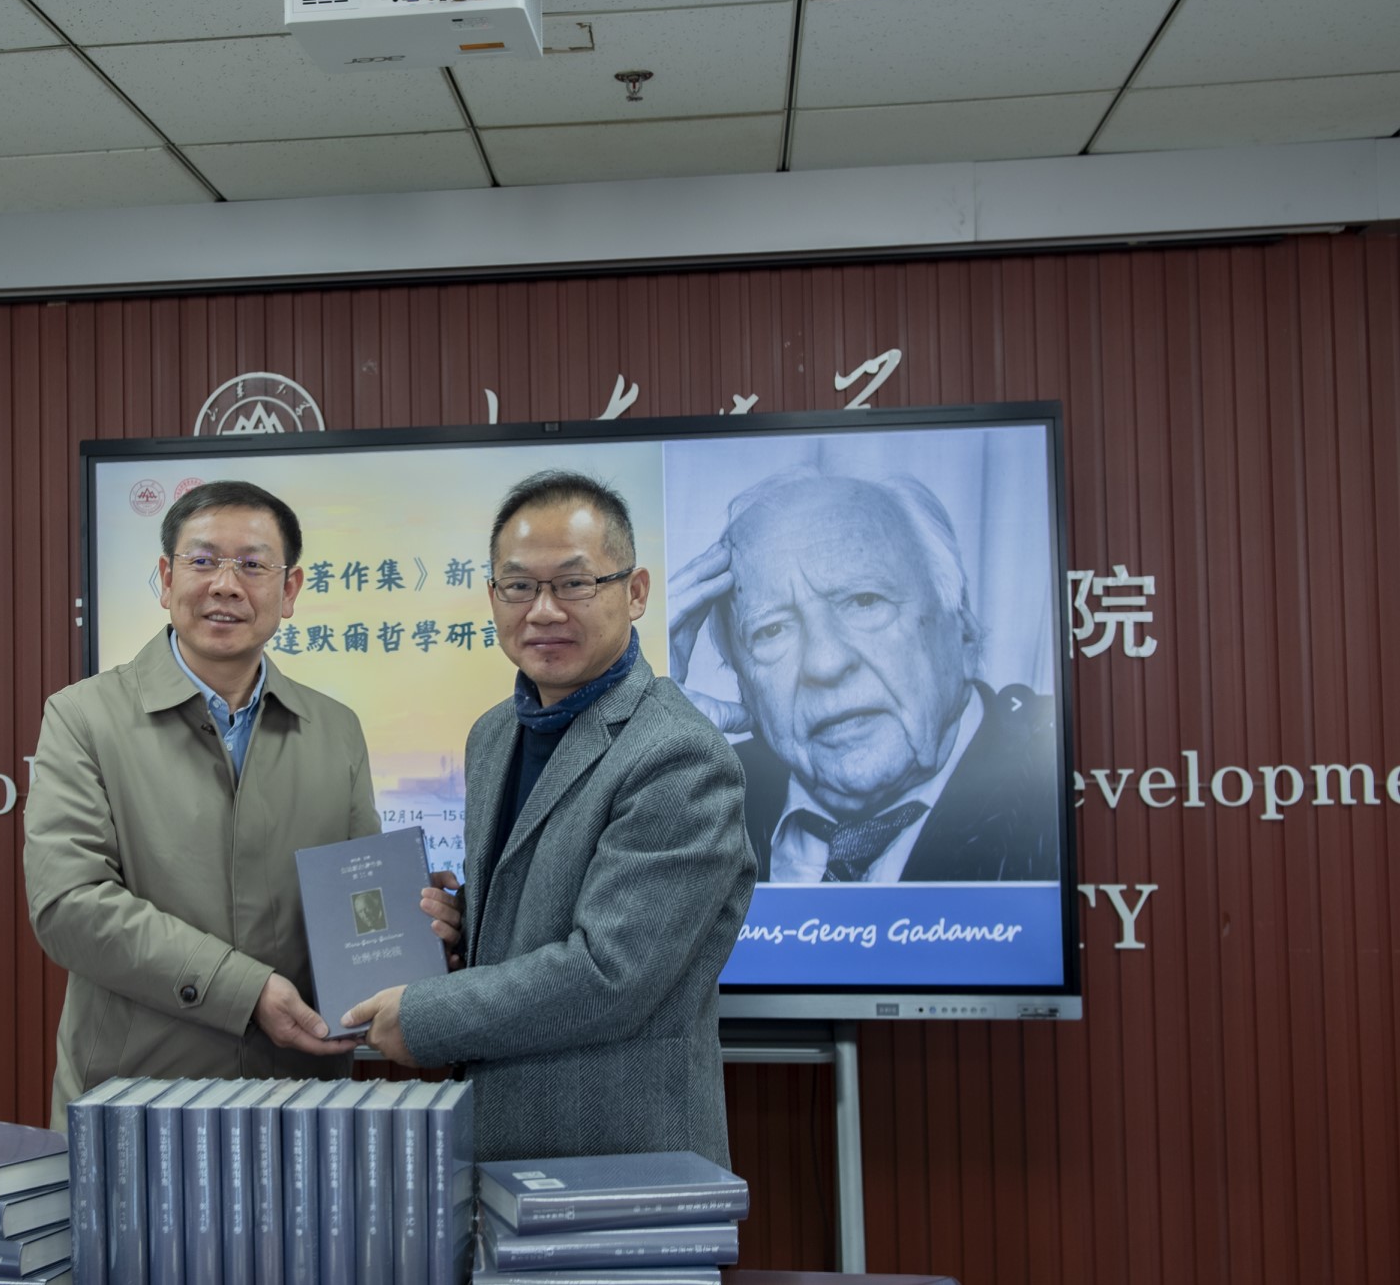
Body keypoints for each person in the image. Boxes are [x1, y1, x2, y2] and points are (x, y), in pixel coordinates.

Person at [344, 471, 755, 1166]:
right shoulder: (494, 734)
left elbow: (610, 974)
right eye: (519, 586)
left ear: (636, 592)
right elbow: (540, 913)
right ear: (493, 598)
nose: (543, 611)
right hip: (495, 1145)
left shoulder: (679, 754)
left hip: (621, 1156)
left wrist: (426, 1016)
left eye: (574, 583)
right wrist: (463, 927)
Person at [22, 480, 430, 1118]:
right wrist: (247, 991)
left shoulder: (335, 729)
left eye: (253, 565)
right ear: (166, 579)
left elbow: (359, 898)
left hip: (299, 1102)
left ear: (289, 591)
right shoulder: (83, 718)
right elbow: (69, 907)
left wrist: (419, 928)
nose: (226, 585)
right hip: (134, 1106)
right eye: (203, 560)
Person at [669, 469, 1059, 884]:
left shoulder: (1063, 785)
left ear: (963, 629)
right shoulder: (692, 804)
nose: (824, 663)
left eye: (865, 601)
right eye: (772, 629)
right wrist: (636, 713)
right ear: (742, 683)